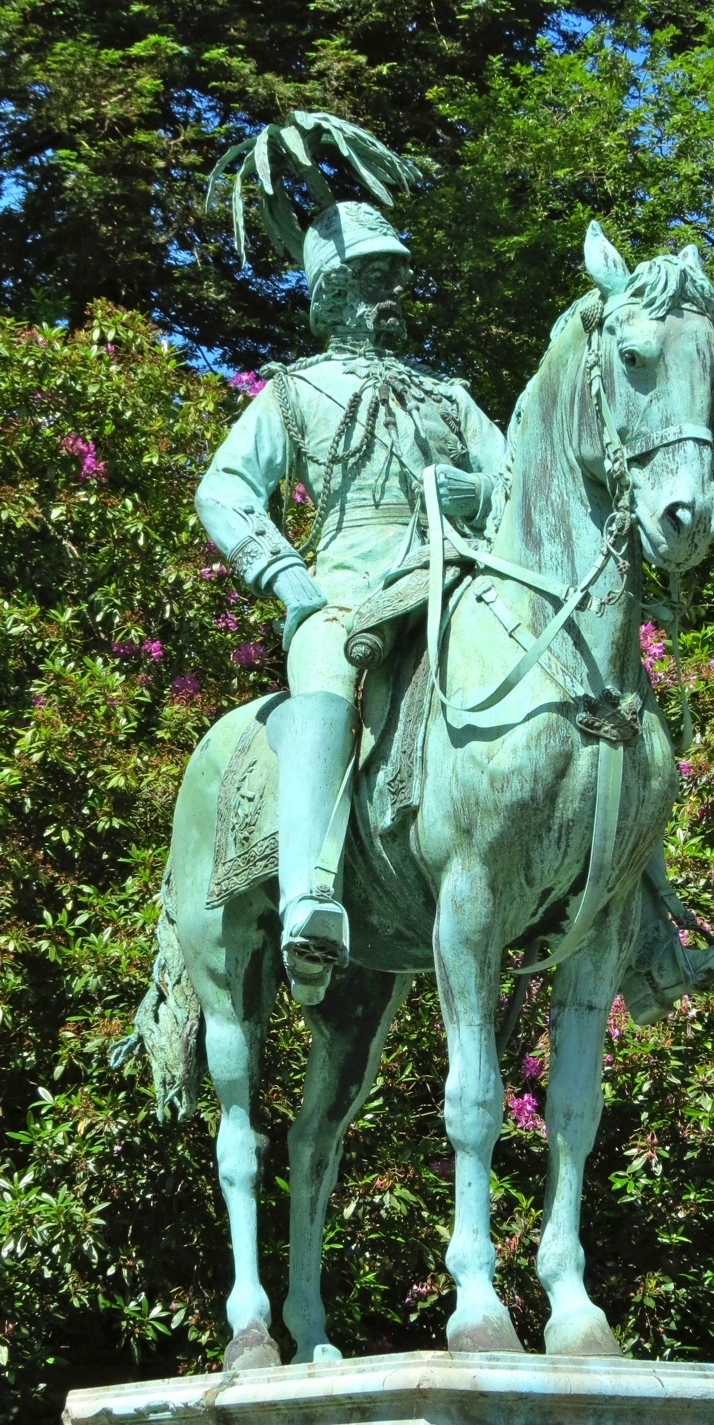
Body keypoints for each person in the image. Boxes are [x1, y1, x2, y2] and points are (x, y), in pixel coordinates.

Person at [196, 202, 506, 1004]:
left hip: (460, 584)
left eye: (399, 273)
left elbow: (519, 480)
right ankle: (309, 899)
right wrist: (285, 575)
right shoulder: (296, 390)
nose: (395, 287)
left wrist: (478, 490)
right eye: (375, 274)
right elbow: (224, 489)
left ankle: (646, 923)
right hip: (346, 594)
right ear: (331, 290)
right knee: (327, 672)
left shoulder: (451, 397)